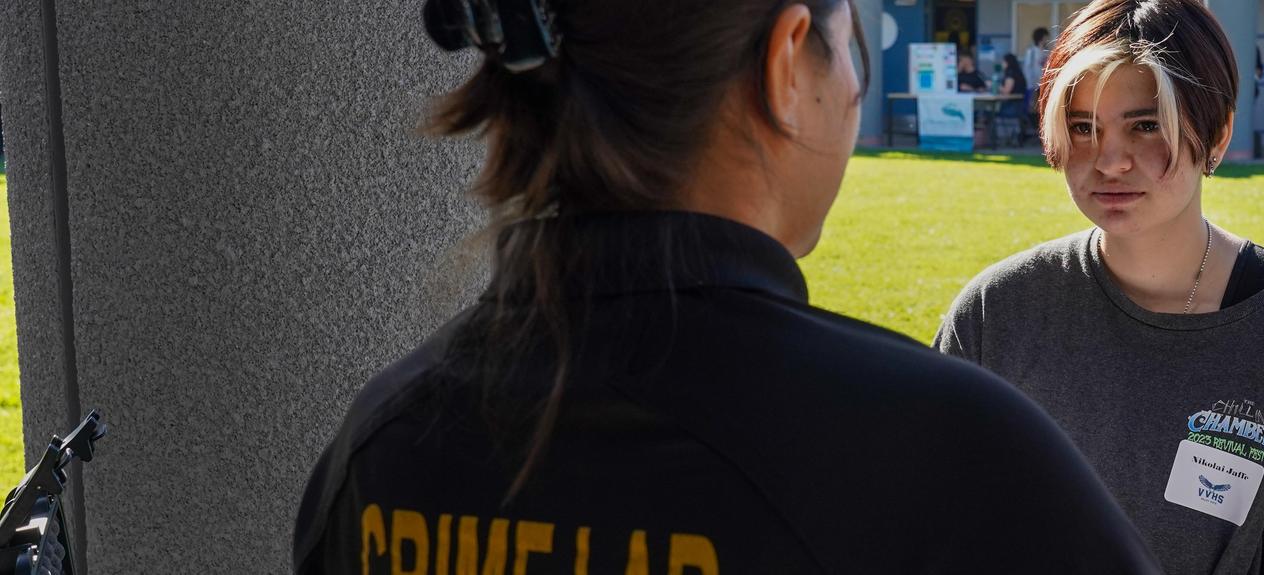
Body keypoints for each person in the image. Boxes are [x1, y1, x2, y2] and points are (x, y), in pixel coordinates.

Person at [293, 0, 1162, 572]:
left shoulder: (378, 448)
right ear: (786, 62)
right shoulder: (951, 456)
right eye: (849, 48)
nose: (851, 90)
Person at [936, 0, 1264, 572]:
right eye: (1083, 127)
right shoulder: (995, 315)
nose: (1110, 161)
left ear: (1217, 135)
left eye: (1146, 126)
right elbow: (932, 525)